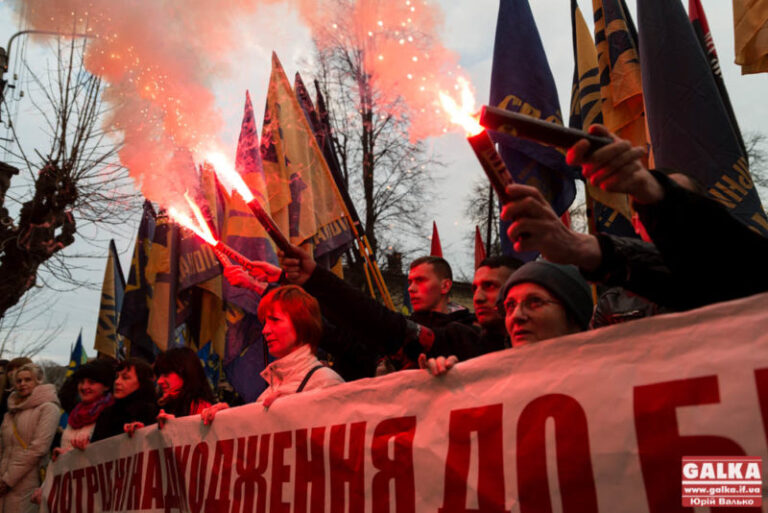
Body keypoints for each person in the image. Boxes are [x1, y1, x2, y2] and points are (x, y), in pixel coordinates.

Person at [500, 123, 768, 312]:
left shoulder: (726, 277)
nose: (655, 219)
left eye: (665, 209)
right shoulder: (614, 299)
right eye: (644, 210)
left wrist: (653, 192)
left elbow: (734, 274)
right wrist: (582, 248)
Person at [0, 363, 60, 513]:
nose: (22, 384)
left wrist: (9, 479)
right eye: (19, 381)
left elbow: (39, 448)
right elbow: (3, 447)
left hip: (29, 482)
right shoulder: (10, 412)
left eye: (28, 379)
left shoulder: (48, 408)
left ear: (39, 381)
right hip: (3, 481)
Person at [497, 261, 593, 347]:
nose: (516, 316)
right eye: (510, 306)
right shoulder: (491, 365)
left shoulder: (602, 366)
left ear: (573, 317)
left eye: (535, 301)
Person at [90, 359, 158, 442]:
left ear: (142, 383)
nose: (117, 382)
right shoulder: (106, 414)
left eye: (125, 378)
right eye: (117, 377)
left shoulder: (154, 412)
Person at [56, 360, 115, 454]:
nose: (84, 387)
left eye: (91, 382)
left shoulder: (112, 413)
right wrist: (61, 454)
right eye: (81, 382)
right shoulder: (75, 413)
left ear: (106, 386)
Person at [154, 347, 216, 421]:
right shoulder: (166, 405)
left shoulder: (202, 409)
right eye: (160, 375)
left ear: (185, 373)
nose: (159, 381)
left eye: (166, 374)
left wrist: (174, 425)